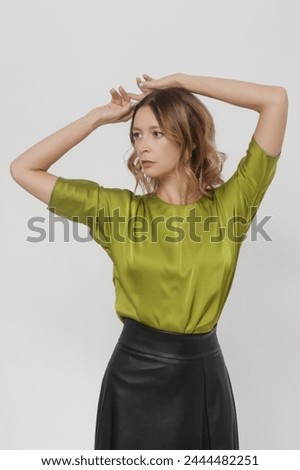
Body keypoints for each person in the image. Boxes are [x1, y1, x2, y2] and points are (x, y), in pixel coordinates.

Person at [10, 73, 288, 450]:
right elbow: (23, 169)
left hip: (203, 377)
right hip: (133, 379)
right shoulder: (119, 212)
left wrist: (181, 82)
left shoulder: (230, 207)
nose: (142, 146)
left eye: (156, 133)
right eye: (136, 135)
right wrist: (96, 118)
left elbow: (275, 100)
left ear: (186, 137)